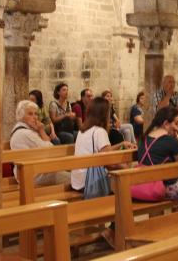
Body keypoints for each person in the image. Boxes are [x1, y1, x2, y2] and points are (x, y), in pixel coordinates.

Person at [71, 96, 135, 247]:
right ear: (103, 114)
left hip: (79, 178)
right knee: (125, 192)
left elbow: (101, 152)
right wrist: (127, 169)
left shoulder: (83, 130)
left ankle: (113, 231)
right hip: (90, 182)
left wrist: (120, 144)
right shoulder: (99, 131)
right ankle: (112, 231)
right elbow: (108, 161)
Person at [10, 100, 59, 185]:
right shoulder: (25, 133)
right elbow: (51, 150)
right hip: (34, 177)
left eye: (36, 114)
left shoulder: (24, 130)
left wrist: (40, 131)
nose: (35, 117)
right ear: (21, 116)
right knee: (75, 181)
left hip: (33, 173)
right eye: (30, 114)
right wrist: (41, 130)